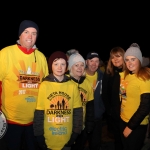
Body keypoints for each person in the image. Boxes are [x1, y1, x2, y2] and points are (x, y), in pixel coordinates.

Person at [0, 20, 49, 150]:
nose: (30, 36)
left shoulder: (41, 57)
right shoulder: (5, 53)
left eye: (34, 33)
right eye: (26, 32)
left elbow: (46, 88)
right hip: (10, 120)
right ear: (19, 35)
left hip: (34, 121)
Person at [33, 51, 83, 150]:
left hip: (67, 139)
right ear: (51, 66)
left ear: (66, 67)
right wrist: (39, 136)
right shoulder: (44, 85)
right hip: (48, 139)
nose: (59, 67)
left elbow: (78, 113)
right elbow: (39, 113)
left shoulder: (72, 86)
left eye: (62, 64)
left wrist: (75, 134)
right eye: (56, 64)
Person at [120, 43, 150, 150]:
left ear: (140, 60)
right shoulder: (127, 75)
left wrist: (130, 127)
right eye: (127, 60)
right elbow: (124, 97)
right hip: (123, 119)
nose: (129, 63)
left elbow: (145, 107)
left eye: (133, 59)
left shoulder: (145, 77)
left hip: (136, 125)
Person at [66, 53, 94, 150]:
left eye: (82, 65)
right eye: (76, 65)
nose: (79, 68)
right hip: (67, 126)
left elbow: (90, 106)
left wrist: (89, 125)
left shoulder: (87, 83)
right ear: (70, 67)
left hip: (81, 127)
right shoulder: (65, 81)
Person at [102, 46, 126, 150]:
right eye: (113, 57)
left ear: (124, 57)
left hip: (128, 114)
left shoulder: (129, 73)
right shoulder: (108, 74)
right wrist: (110, 112)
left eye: (118, 56)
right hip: (115, 115)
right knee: (118, 141)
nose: (115, 59)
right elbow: (105, 94)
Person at [85, 51, 105, 150]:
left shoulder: (102, 76)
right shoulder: (79, 76)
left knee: (95, 144)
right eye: (91, 60)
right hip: (82, 119)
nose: (94, 64)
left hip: (97, 116)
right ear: (86, 62)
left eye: (96, 61)